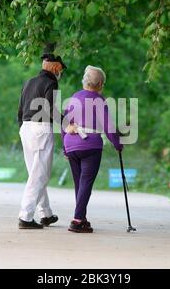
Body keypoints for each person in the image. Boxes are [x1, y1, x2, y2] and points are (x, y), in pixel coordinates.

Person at [61, 65, 123, 233]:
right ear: (100, 83)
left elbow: (64, 124)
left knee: (79, 183)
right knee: (85, 183)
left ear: (84, 81)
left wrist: (64, 148)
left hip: (71, 144)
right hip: (90, 146)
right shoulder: (99, 100)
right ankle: (77, 220)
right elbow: (109, 127)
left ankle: (81, 217)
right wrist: (118, 145)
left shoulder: (74, 97)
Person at [17, 43, 70, 229]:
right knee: (40, 175)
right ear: (55, 67)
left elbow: (20, 110)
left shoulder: (28, 82)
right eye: (60, 69)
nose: (60, 72)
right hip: (41, 129)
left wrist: (24, 128)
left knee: (35, 173)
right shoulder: (51, 83)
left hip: (25, 127)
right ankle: (25, 216)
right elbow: (50, 109)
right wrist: (66, 124)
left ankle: (45, 214)